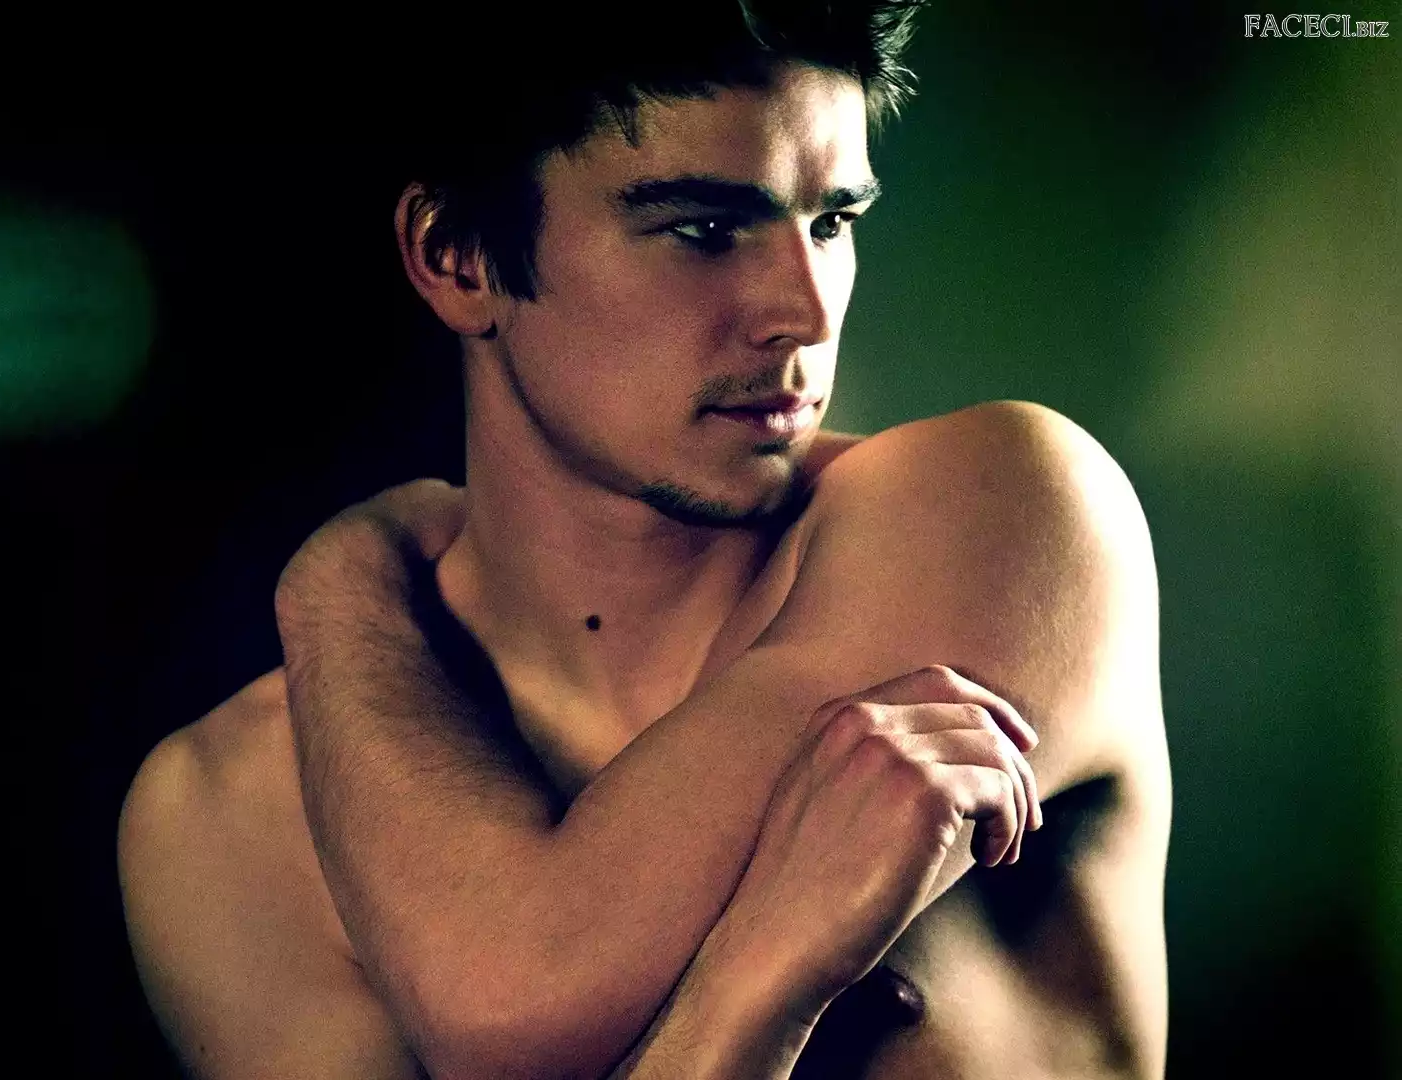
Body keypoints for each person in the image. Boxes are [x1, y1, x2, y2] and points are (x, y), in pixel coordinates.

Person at [119, 2, 1170, 1076]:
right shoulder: (228, 811)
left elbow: (511, 997)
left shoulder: (995, 511)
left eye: (830, 224)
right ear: (457, 258)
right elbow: (515, 1002)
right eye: (705, 231)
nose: (805, 313)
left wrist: (339, 581)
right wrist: (759, 981)